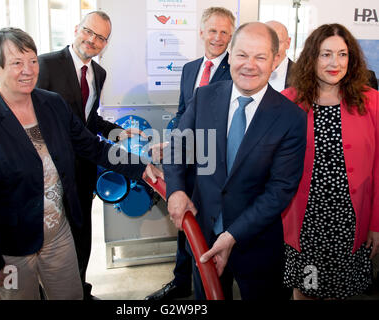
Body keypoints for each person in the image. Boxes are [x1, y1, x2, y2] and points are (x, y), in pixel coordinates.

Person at [0, 27, 162, 300]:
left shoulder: (52, 104)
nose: (28, 70)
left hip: (58, 234)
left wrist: (140, 166)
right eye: (17, 63)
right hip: (11, 247)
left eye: (32, 61)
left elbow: (91, 146)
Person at [163, 22, 307, 300]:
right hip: (203, 236)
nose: (249, 65)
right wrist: (176, 190)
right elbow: (177, 146)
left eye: (260, 57)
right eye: (242, 54)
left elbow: (280, 190)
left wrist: (231, 236)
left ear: (275, 60)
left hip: (257, 244)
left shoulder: (291, 117)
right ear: (229, 55)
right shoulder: (204, 97)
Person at [36, 11, 140, 299]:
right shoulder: (45, 64)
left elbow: (87, 120)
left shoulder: (98, 73)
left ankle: (79, 290)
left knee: (81, 234)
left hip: (83, 168)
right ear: (76, 29)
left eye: (101, 38)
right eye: (88, 32)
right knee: (49, 238)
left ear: (106, 44)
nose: (92, 40)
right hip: (49, 171)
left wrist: (117, 132)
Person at [281, 23, 379, 300]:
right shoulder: (288, 101)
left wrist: (376, 224)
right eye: (325, 54)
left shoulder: (372, 102)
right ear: (311, 58)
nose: (335, 63)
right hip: (304, 220)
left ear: (352, 59)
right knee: (305, 289)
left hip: (350, 220)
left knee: (342, 291)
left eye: (342, 54)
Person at [145, 7, 235, 301]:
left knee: (214, 229)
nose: (218, 37)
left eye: (224, 32)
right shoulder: (190, 68)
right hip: (186, 162)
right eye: (212, 30)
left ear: (231, 35)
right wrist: (171, 144)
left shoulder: (237, 69)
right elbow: (185, 114)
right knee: (184, 222)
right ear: (201, 33)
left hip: (216, 166)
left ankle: (214, 290)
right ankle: (181, 282)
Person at [265, 20, 294, 91]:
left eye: (277, 42)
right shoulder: (246, 73)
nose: (271, 49)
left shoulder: (303, 76)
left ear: (288, 43)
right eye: (265, 42)